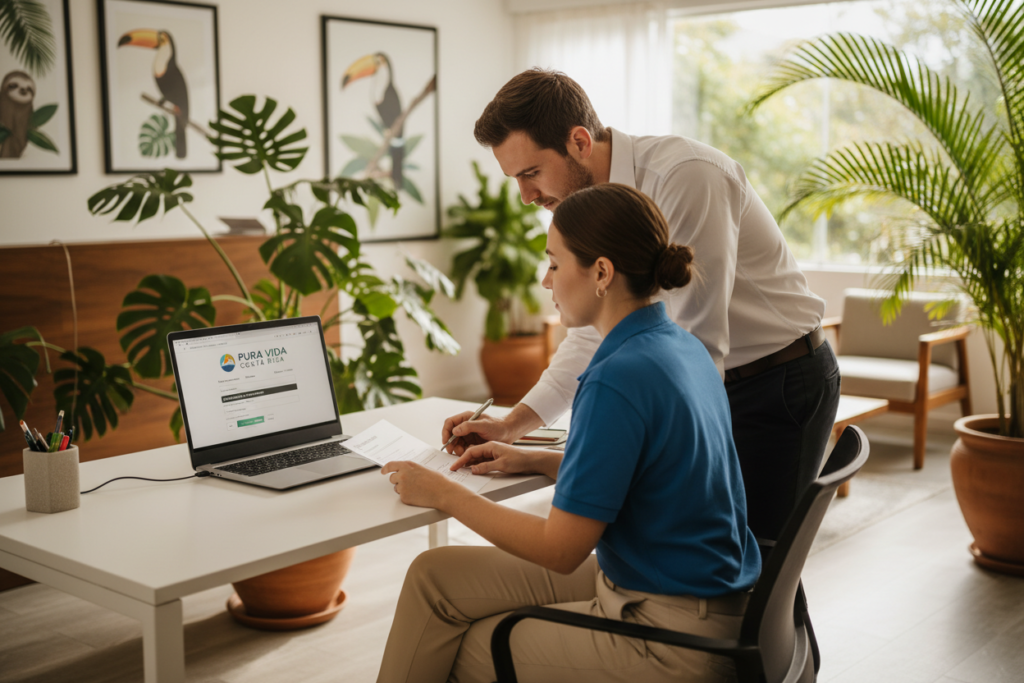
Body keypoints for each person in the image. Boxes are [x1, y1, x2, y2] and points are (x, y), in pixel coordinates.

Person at [378, 184, 760, 683]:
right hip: (702, 597)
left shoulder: (617, 377)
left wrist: (444, 494)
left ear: (601, 273)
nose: (545, 280)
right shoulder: (681, 347)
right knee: (434, 577)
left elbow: (560, 550)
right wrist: (539, 460)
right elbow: (658, 473)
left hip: (671, 634)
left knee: (462, 645)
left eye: (555, 264)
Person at [445, 68, 841, 543]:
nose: (526, 196)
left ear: (578, 142)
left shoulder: (685, 177)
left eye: (530, 173)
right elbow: (594, 333)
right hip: (716, 384)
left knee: (756, 571)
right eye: (515, 179)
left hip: (777, 382)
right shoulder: (593, 210)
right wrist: (512, 424)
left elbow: (697, 344)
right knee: (716, 564)